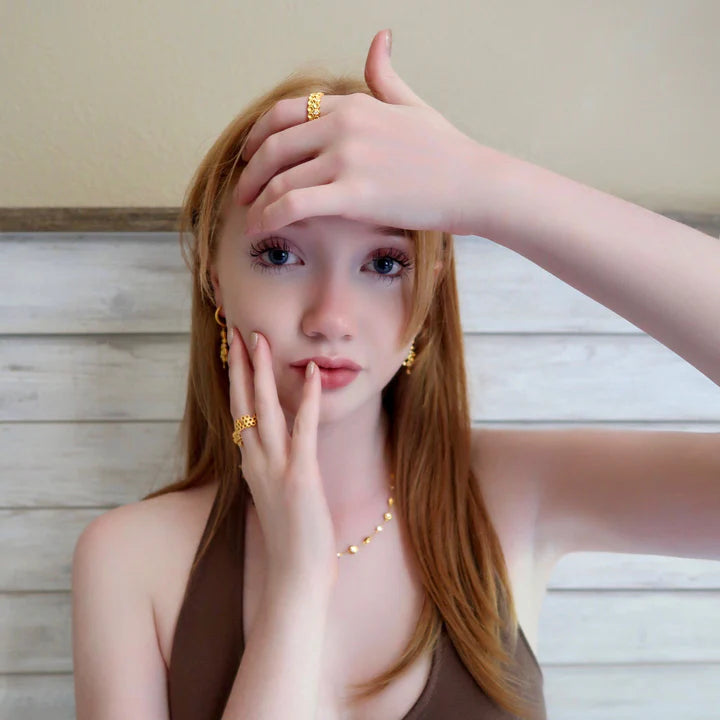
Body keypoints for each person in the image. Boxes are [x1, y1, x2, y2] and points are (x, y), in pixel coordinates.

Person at [71, 29, 720, 720]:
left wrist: (488, 188)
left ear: (429, 292)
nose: (331, 318)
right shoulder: (127, 562)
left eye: (384, 264)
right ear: (212, 276)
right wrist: (297, 584)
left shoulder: (514, 494)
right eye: (281, 255)